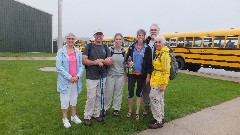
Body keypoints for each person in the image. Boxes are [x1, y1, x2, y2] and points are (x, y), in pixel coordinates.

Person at [82, 29, 113, 126]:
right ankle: (87, 116)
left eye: (100, 34)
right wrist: (95, 62)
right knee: (91, 97)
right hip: (91, 76)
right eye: (97, 34)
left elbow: (110, 62)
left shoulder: (105, 47)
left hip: (102, 76)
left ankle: (96, 113)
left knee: (99, 96)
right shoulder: (89, 46)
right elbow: (84, 60)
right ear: (94, 35)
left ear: (103, 36)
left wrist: (102, 61)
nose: (99, 36)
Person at [56, 33, 84, 128]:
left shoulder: (78, 52)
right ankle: (65, 118)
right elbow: (59, 67)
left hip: (75, 81)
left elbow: (81, 66)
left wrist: (77, 76)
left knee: (74, 99)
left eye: (72, 39)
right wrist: (69, 77)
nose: (71, 40)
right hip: (65, 81)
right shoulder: (61, 52)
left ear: (75, 40)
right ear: (66, 40)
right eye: (69, 38)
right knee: (65, 100)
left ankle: (73, 116)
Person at [125, 29, 152, 121]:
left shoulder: (147, 48)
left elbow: (149, 63)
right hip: (132, 73)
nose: (140, 37)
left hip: (141, 74)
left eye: (142, 36)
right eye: (139, 35)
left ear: (144, 37)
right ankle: (130, 110)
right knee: (130, 92)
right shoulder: (132, 47)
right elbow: (127, 59)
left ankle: (137, 111)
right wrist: (129, 63)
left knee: (139, 93)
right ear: (137, 37)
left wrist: (148, 75)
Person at [149, 35, 171, 129]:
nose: (157, 44)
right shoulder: (159, 52)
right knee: (159, 99)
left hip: (159, 81)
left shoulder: (165, 54)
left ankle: (158, 120)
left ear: (163, 43)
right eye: (156, 42)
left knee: (154, 99)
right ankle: (160, 117)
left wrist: (163, 84)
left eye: (159, 42)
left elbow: (166, 71)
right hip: (156, 79)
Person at [104, 33, 126, 117]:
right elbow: (106, 61)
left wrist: (126, 75)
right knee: (108, 92)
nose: (118, 41)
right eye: (116, 39)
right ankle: (105, 108)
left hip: (120, 75)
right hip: (111, 75)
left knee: (118, 93)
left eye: (120, 39)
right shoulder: (110, 50)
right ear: (114, 40)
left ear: (122, 40)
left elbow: (125, 63)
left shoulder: (124, 51)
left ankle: (116, 108)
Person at [142, 24, 160, 115]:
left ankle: (157, 109)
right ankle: (147, 105)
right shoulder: (146, 42)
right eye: (152, 30)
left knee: (157, 91)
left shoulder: (161, 41)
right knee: (146, 89)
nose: (153, 31)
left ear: (158, 31)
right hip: (147, 70)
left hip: (158, 72)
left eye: (155, 30)